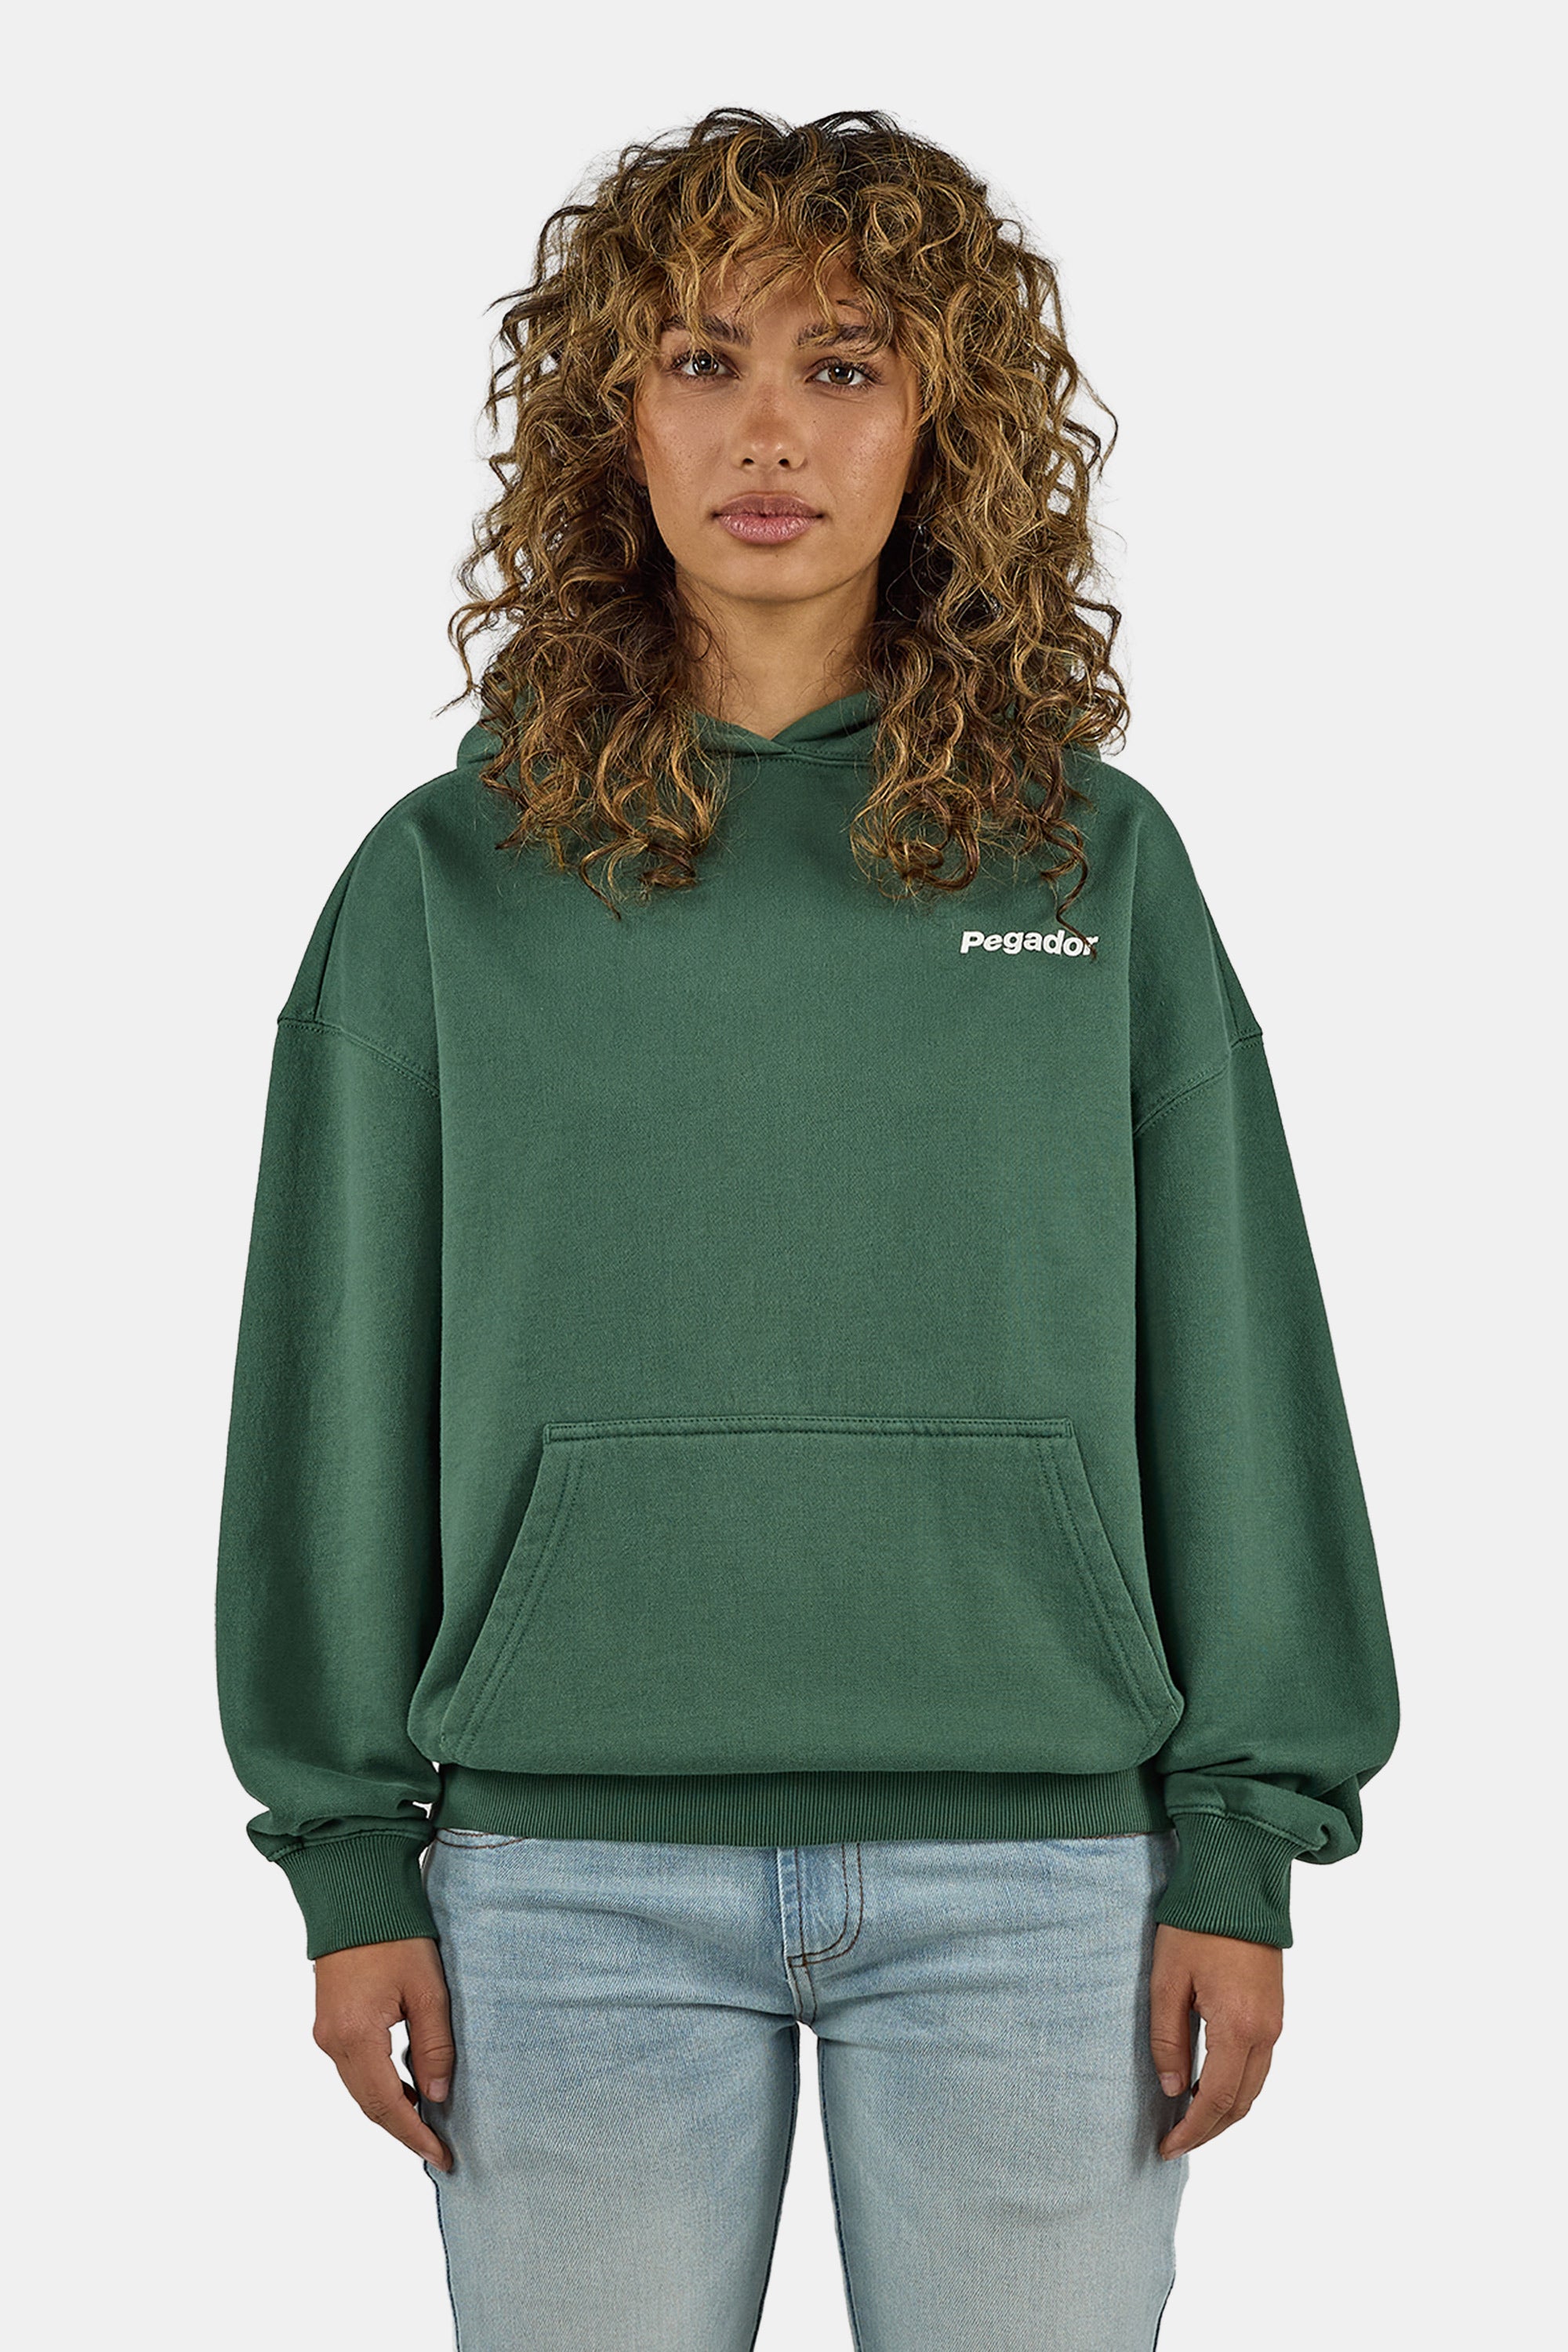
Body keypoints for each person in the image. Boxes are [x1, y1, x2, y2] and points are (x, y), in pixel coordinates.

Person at [213, 105, 1399, 2352]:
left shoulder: (1092, 866)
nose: (770, 433)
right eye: (704, 361)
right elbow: (332, 1380)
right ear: (613, 421)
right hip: (557, 1884)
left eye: (844, 366)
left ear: (944, 427)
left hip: (1046, 1881)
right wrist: (348, 1852)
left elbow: (1237, 1356)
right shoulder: (444, 883)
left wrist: (1246, 1837)